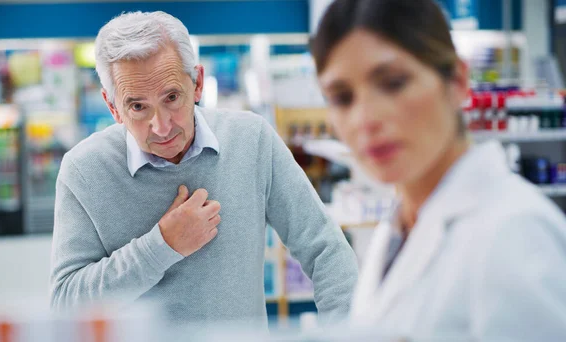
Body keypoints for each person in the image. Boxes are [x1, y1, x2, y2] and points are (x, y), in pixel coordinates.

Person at [49, 11, 358, 325]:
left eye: (172, 97)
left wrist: (350, 333)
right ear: (113, 106)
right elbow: (65, 304)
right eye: (138, 106)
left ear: (196, 84)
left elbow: (325, 250)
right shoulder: (84, 171)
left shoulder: (251, 139)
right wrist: (161, 246)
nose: (161, 126)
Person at [311, 0, 566, 340]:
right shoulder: (399, 228)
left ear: (458, 81)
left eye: (393, 83)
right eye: (343, 98)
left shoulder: (515, 235)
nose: (364, 119)